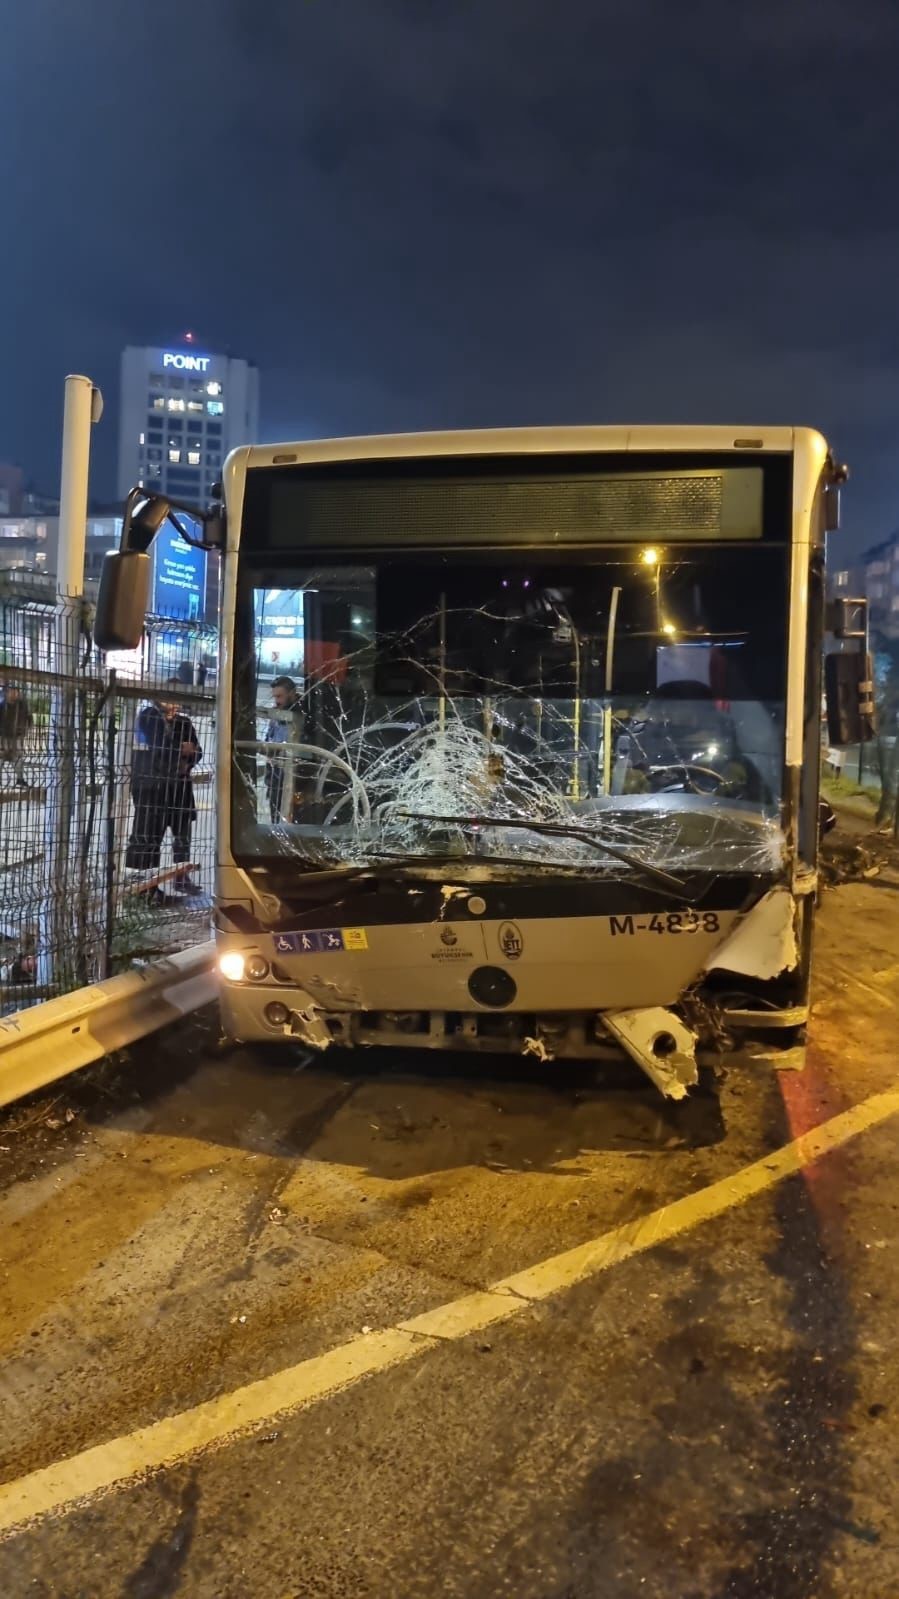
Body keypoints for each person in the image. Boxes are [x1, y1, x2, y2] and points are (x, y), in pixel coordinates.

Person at [126, 680, 203, 895]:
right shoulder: (149, 716)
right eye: (173, 698)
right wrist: (181, 749)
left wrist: (187, 755)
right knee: (149, 837)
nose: (176, 704)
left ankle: (181, 876)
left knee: (182, 836)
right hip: (152, 788)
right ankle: (145, 886)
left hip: (179, 788)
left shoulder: (184, 723)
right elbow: (158, 748)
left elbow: (198, 750)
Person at [264, 675, 304, 822]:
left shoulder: (302, 714)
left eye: (280, 696)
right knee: (275, 818)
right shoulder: (277, 714)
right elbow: (269, 737)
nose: (277, 701)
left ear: (292, 694)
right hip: (275, 776)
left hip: (295, 777)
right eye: (275, 697)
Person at [0, 684, 33, 789]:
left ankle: (20, 779)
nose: (13, 694)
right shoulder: (2, 705)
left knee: (18, 759)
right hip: (3, 736)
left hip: (17, 737)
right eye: (11, 691)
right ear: (7, 693)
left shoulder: (23, 705)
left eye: (16, 691)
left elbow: (29, 718)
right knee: (0, 758)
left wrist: (27, 730)